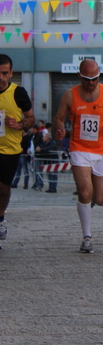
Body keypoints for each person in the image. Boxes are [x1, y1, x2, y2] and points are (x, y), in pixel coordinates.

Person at [53, 59, 103, 253]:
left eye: (94, 79)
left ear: (99, 76)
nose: (91, 83)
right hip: (79, 148)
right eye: (86, 79)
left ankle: (89, 198)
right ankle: (87, 237)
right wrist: (60, 129)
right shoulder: (70, 95)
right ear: (79, 76)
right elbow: (59, 118)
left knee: (101, 199)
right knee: (84, 193)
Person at [0, 54, 35, 243]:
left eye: (4, 73)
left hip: (10, 150)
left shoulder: (18, 93)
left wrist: (19, 124)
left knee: (4, 189)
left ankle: (0, 218)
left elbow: (31, 119)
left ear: (11, 73)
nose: (1, 77)